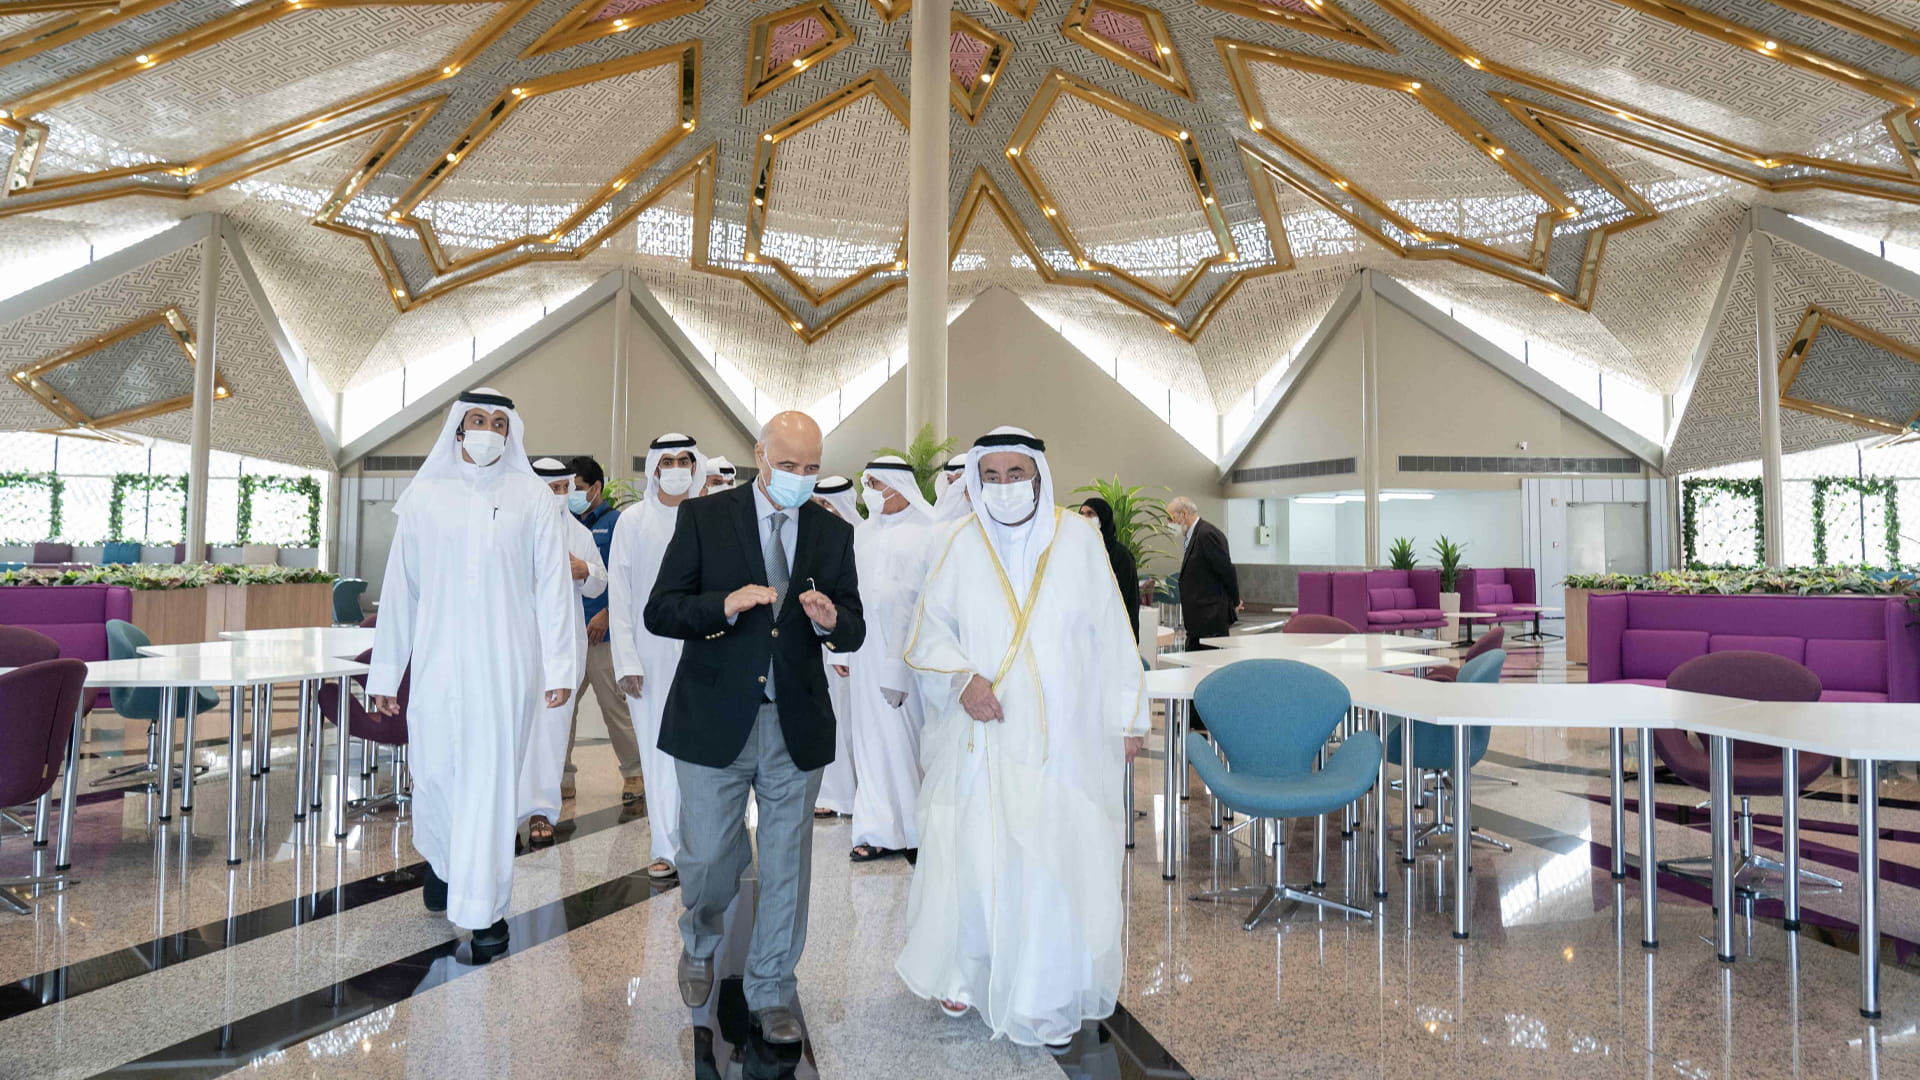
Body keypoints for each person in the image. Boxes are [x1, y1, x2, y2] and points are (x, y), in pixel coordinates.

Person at [898, 426, 1145, 1052]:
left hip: (1065, 738)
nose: (1004, 487)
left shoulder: (1078, 539)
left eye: (1016, 474)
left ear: (1038, 476)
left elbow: (1112, 633)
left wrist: (1128, 716)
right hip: (983, 734)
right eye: (992, 476)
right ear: (977, 480)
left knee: (1051, 858)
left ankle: (1044, 990)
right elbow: (928, 631)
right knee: (976, 854)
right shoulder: (959, 543)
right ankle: (968, 971)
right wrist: (962, 680)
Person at [645, 411, 864, 1045]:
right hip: (713, 719)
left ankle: (772, 988)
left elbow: (853, 626)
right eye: (788, 464)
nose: (800, 477)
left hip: (793, 722)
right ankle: (700, 938)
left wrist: (829, 621)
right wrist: (724, 605)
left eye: (811, 467)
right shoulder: (705, 518)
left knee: (787, 863)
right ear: (759, 455)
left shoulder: (831, 531)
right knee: (709, 856)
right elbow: (661, 610)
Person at [368, 388, 575, 956]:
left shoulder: (531, 497)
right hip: (437, 665)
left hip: (506, 666)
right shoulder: (424, 497)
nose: (488, 431)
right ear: (458, 429)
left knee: (489, 783)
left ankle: (485, 912)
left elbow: (554, 587)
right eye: (477, 420)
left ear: (511, 433)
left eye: (499, 423)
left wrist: (560, 665)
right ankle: (444, 861)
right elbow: (400, 592)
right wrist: (386, 674)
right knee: (435, 774)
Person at [608, 432, 707, 878]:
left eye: (684, 460)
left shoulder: (711, 517)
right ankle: (666, 847)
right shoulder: (632, 522)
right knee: (657, 752)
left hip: (704, 654)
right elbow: (620, 596)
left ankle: (703, 845)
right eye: (668, 462)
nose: (676, 469)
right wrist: (626, 661)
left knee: (702, 752)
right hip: (648, 658)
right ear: (654, 469)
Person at [844, 456, 937, 862]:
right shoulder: (861, 535)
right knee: (870, 740)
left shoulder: (930, 531)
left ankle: (918, 829)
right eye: (866, 485)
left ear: (898, 486)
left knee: (908, 740)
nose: (869, 493)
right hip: (865, 651)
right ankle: (876, 828)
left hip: (913, 655)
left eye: (875, 484)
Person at [519, 457, 607, 845]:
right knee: (516, 728)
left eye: (561, 488)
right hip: (519, 645)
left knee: (553, 730)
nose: (557, 495)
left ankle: (542, 809)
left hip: (565, 648)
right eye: (549, 489)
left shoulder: (579, 533)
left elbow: (600, 582)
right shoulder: (512, 527)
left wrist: (585, 570)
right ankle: (507, 811)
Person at [559, 455, 640, 804]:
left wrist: (607, 613)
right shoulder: (562, 525)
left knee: (615, 709)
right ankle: (562, 777)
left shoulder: (617, 523)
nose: (571, 495)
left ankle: (635, 774)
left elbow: (628, 578)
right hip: (569, 638)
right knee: (562, 711)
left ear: (596, 488)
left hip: (602, 637)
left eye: (577, 488)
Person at [810, 476, 860, 820]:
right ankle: (835, 793)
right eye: (819, 504)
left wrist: (843, 650)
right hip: (821, 648)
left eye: (829, 504)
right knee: (832, 720)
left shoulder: (860, 538)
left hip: (851, 647)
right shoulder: (817, 539)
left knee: (852, 722)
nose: (824, 511)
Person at [1167, 495, 1239, 653]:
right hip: (1198, 620)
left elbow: (1226, 570)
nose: (1169, 524)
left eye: (1171, 518)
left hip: (1210, 618)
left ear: (1183, 514)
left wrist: (1235, 600)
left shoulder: (1206, 534)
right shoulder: (1194, 535)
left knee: (1210, 661)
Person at [1076, 497, 1139, 641]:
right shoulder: (1078, 551)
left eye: (1090, 514)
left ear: (1103, 518)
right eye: (1081, 514)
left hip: (1113, 633)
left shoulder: (1120, 556)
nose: (1084, 518)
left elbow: (1127, 600)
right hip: (1083, 634)